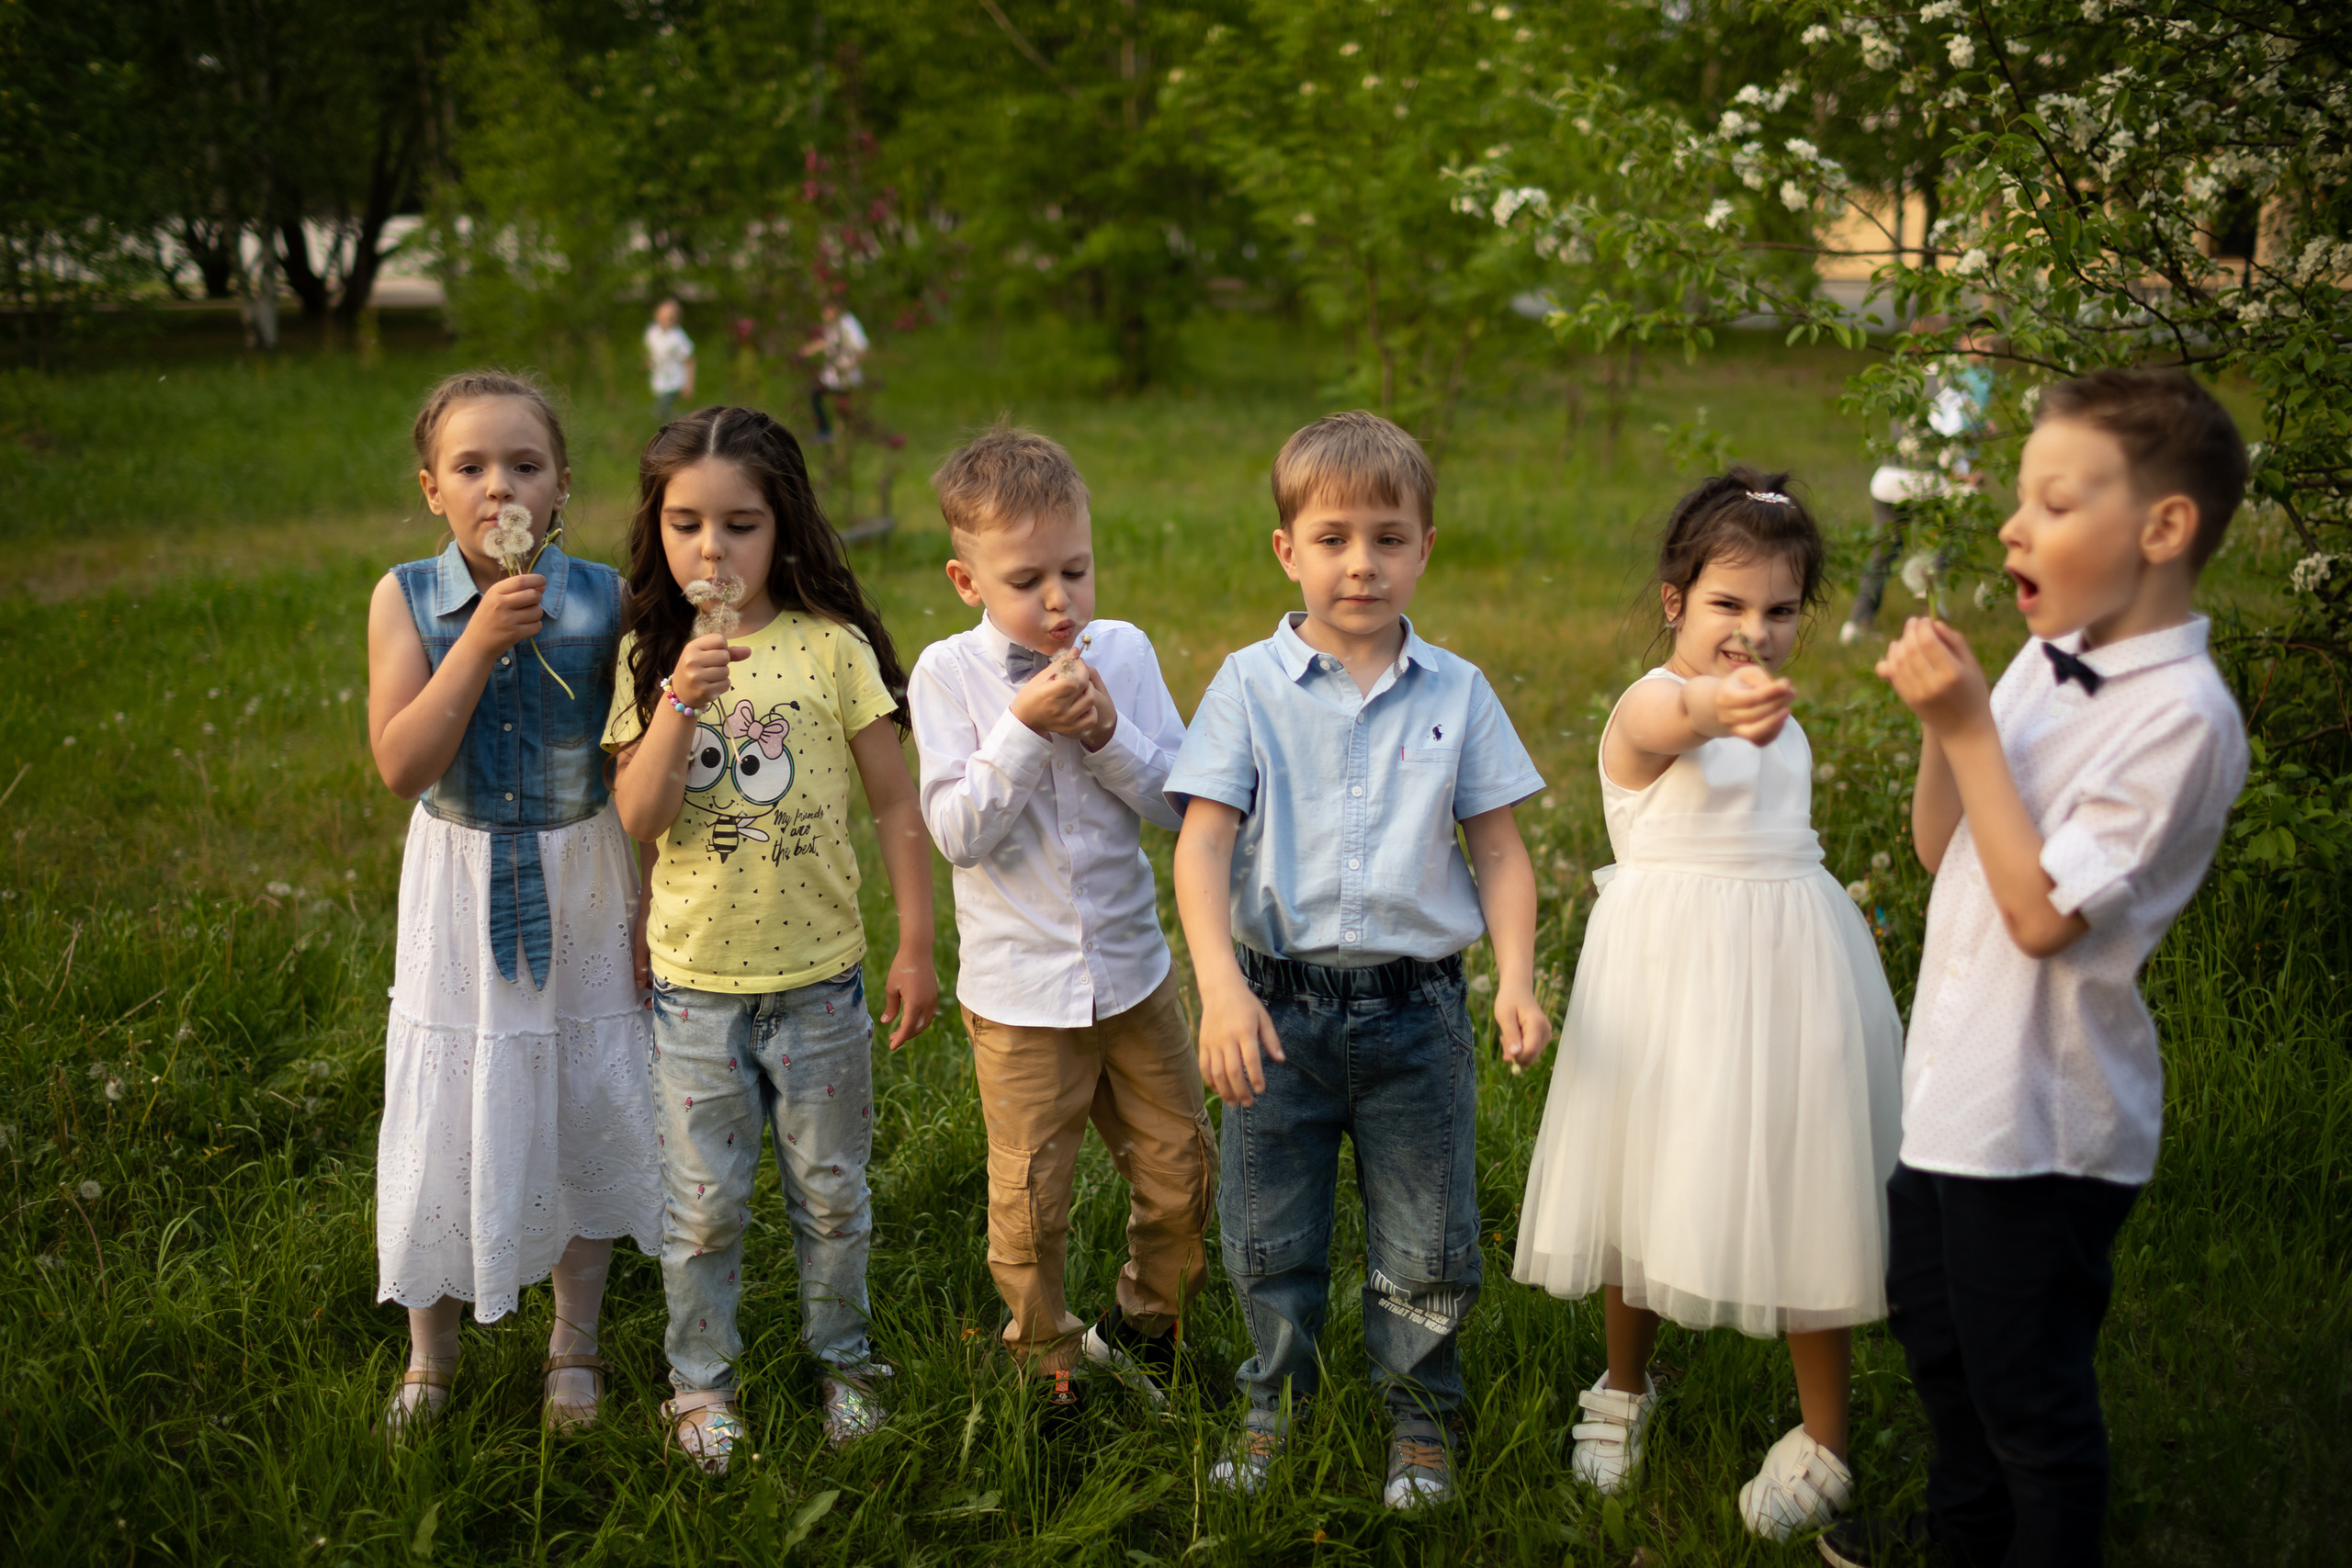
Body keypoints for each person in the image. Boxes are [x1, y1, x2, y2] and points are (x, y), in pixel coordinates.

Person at [1820, 368, 2250, 1568]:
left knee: (2032, 1403)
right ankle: (1962, 1536)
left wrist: (1967, 725)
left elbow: (2041, 915)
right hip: (1953, 1095)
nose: (2014, 526)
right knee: (1945, 1352)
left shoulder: (2185, 716)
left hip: (2047, 1122)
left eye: (2054, 501)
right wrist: (1941, 731)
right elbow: (1944, 845)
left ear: (2162, 528)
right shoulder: (2043, 656)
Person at [1166, 410, 1551, 1509]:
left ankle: (1421, 1418)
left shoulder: (1458, 691)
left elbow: (1501, 851)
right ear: (1286, 550)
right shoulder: (1246, 685)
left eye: (1388, 536)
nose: (1361, 563)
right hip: (1272, 1009)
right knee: (1265, 1228)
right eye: (1332, 538)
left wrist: (1516, 976)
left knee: (1426, 1238)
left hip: (1413, 1015)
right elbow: (1202, 847)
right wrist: (1220, 990)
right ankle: (1271, 1399)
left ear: (1425, 546)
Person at [1514, 471, 1905, 1540]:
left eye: (1780, 612)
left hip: (1792, 979)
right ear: (1676, 600)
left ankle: (1824, 1437)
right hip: (1670, 990)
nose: (1758, 633)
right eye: (1730, 605)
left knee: (1809, 1184)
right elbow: (1671, 717)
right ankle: (1622, 1388)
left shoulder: (1785, 723)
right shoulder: (1654, 705)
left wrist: (1751, 710)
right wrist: (1713, 704)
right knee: (1641, 1183)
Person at [603, 406, 940, 1473]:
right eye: (687, 524)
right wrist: (675, 705)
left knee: (832, 1190)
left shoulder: (830, 650)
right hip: (695, 990)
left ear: (782, 526)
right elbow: (640, 820)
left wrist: (915, 947)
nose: (713, 550)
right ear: (658, 531)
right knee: (702, 1208)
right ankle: (699, 1384)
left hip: (820, 984)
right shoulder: (648, 654)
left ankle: (845, 1360)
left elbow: (894, 806)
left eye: (739, 525)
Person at [366, 370, 661, 1436]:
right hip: (459, 879)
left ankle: (572, 1347)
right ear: (431, 490)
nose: (501, 488)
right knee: (450, 1104)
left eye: (525, 465)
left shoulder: (607, 599)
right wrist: (481, 640)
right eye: (471, 467)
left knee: (581, 1092)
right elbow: (402, 764)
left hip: (581, 870)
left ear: (562, 485)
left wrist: (644, 909)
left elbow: (636, 763)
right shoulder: (405, 596)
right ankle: (430, 1357)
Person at [909, 423, 1215, 1429]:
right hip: (1020, 996)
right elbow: (956, 832)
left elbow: (1177, 802)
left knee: (1180, 1166)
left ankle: (1148, 1325)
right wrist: (1026, 730)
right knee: (1032, 1200)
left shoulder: (1121, 652)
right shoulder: (948, 677)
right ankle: (1045, 1358)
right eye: (1028, 578)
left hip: (1133, 976)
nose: (1058, 601)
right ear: (967, 579)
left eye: (1075, 571)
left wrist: (1108, 735)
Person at [1842, 337, 1994, 644]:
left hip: (1887, 481)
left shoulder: (1907, 382)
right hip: (1927, 483)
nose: (1989, 351)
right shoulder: (1951, 385)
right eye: (1984, 343)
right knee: (1944, 542)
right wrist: (1964, 477)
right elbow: (1945, 439)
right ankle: (1930, 612)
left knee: (1883, 554)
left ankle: (1857, 624)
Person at [800, 301, 867, 443]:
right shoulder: (833, 325)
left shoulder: (848, 325)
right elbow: (827, 341)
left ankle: (836, 434)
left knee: (839, 401)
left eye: (826, 311)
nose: (824, 315)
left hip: (844, 373)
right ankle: (832, 432)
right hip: (833, 373)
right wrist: (809, 350)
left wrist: (848, 366)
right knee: (820, 396)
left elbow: (862, 349)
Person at [644, 299, 695, 422]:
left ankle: (689, 421)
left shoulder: (678, 337)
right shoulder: (653, 333)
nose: (665, 320)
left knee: (661, 411)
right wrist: (649, 362)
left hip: (674, 380)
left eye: (669, 317)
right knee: (661, 412)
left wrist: (689, 385)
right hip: (659, 379)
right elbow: (653, 352)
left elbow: (689, 360)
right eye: (662, 316)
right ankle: (682, 423)